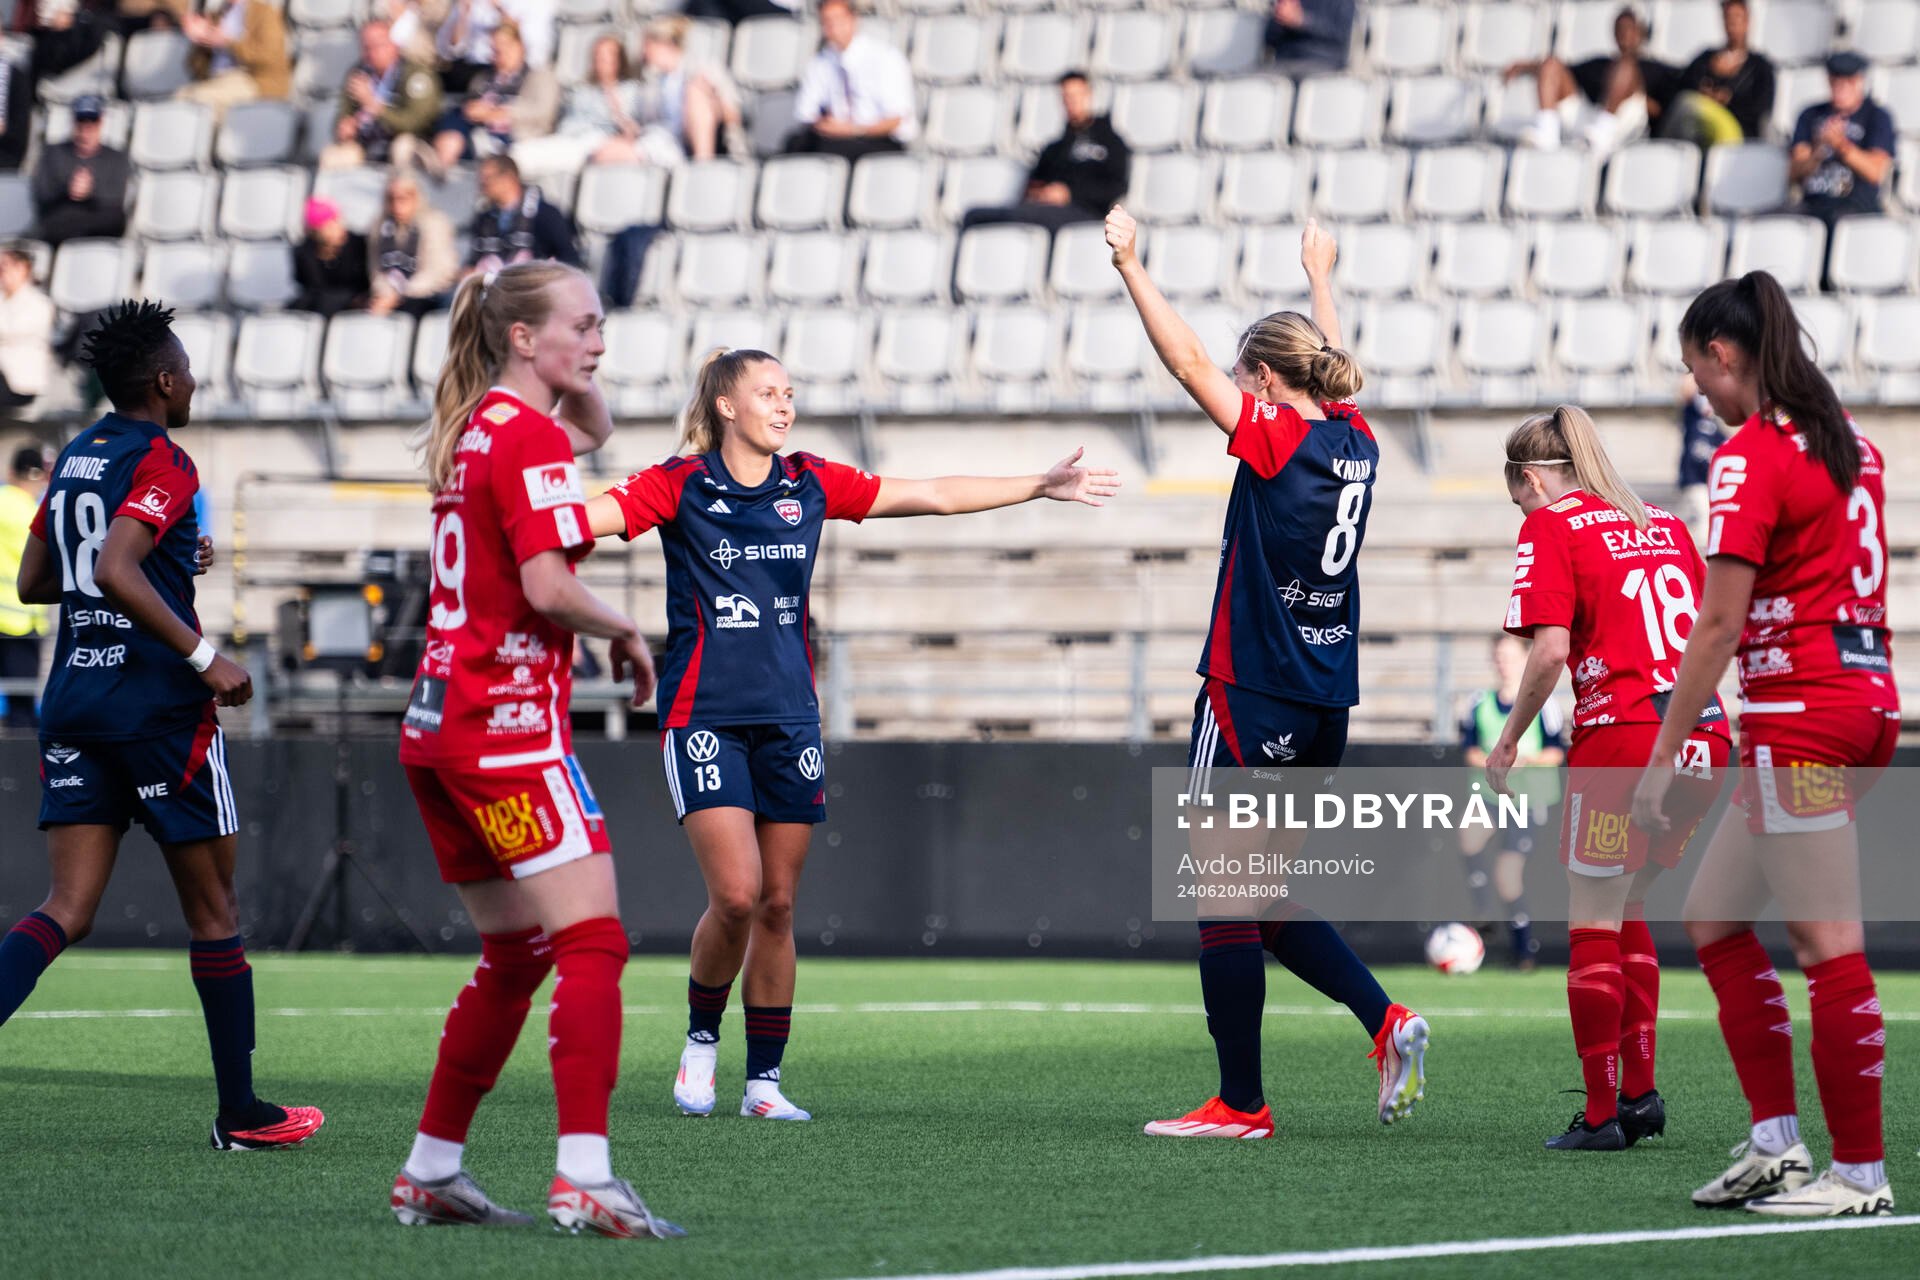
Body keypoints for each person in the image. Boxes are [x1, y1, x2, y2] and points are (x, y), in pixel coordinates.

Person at [582, 355, 1117, 1124]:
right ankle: (702, 1039)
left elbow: (929, 494)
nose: (785, 406)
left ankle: (763, 1083)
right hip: (704, 717)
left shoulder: (809, 482)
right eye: (768, 394)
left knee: (778, 903)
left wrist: (1036, 484)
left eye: (791, 394)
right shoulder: (679, 484)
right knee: (733, 896)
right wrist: (505, 504)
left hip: (791, 720)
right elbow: (587, 518)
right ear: (726, 406)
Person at [1104, 207, 1430, 1142]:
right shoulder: (1356, 442)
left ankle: (1241, 1104)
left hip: (1252, 692)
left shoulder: (1278, 438)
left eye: (1252, 377)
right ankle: (1388, 1021)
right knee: (1264, 898)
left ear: (1265, 381)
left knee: (1219, 899)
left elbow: (1186, 363)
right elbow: (1331, 371)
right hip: (1325, 699)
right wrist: (1322, 275)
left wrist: (1133, 264)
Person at [389, 260, 682, 1238]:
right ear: (523, 338)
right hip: (505, 729)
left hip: (440, 730)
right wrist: (627, 628)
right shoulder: (527, 437)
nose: (600, 342)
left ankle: (431, 1168)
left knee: (515, 953)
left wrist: (549, 343)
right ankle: (584, 1177)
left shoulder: (483, 427)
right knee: (591, 940)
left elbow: (592, 427)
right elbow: (550, 586)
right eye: (584, 325)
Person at [0, 301, 323, 1152]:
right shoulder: (163, 458)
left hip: (72, 701)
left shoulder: (75, 455)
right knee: (215, 912)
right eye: (187, 369)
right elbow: (113, 565)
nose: (194, 383)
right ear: (166, 381)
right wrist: (203, 657)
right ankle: (242, 1114)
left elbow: (43, 579)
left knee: (66, 908)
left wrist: (171, 556)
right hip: (156, 711)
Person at [1630, 272, 1897, 1215]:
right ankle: (1778, 1144)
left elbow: (1717, 625)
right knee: (1716, 917)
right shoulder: (1851, 443)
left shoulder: (1751, 454)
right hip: (1857, 704)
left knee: (1829, 947)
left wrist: (1663, 757)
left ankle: (1859, 1173)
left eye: (1697, 370)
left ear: (1726, 354)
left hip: (1804, 719)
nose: (1698, 389)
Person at [1488, 405, 1732, 1151]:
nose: (1522, 513)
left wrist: (1507, 742)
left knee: (1592, 924)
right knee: (1629, 913)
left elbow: (1551, 652)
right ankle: (1641, 1095)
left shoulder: (1552, 525)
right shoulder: (1664, 522)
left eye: (1519, 498)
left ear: (1532, 479)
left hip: (1622, 738)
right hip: (1703, 739)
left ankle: (1601, 1115)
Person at [1457, 633, 1565, 972]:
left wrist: (1526, 761)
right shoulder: (1479, 702)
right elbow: (1470, 750)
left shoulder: (1543, 704)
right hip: (1490, 793)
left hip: (1526, 797)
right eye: (1497, 656)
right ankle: (1483, 916)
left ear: (1525, 658)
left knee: (1508, 874)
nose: (1502, 662)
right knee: (1468, 837)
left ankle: (1523, 948)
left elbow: (1557, 751)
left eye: (1508, 655)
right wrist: (1492, 761)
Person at [962, 71, 1129, 235]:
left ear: (1089, 95)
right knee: (975, 216)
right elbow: (1032, 186)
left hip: (1087, 213)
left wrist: (1069, 194)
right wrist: (1043, 193)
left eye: (1076, 95)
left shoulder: (1110, 142)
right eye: (1066, 97)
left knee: (1023, 216)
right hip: (1046, 211)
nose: (1071, 102)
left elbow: (1116, 187)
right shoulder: (1054, 149)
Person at [1505, 6, 1679, 154]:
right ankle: (1546, 129)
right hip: (1590, 118)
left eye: (1630, 29)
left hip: (1626, 123)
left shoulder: (1658, 69)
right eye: (1620, 30)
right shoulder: (1601, 63)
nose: (1625, 35)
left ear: (1640, 32)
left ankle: (1604, 129)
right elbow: (1566, 70)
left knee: (1626, 66)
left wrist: (1643, 100)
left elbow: (1668, 106)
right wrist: (1524, 66)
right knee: (1551, 64)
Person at [1790, 51, 1895, 265]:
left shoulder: (1876, 116)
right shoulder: (1810, 114)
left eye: (1848, 80)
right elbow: (1794, 172)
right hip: (1813, 202)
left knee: (1837, 222)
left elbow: (1875, 172)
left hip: (1856, 204)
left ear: (1860, 80)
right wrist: (1819, 149)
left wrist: (1841, 145)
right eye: (1835, 79)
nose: (1840, 86)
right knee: (1778, 222)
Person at [786, 0, 915, 161]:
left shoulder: (885, 58)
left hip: (878, 139)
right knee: (795, 144)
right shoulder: (820, 62)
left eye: (838, 19)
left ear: (854, 19)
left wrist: (852, 130)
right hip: (835, 136)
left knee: (828, 151)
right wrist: (828, 125)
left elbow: (896, 119)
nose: (833, 27)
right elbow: (806, 113)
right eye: (827, 21)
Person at [430, 21, 557, 170]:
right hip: (476, 132)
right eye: (495, 49)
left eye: (504, 47)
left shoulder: (540, 77)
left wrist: (499, 112)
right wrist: (473, 110)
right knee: (451, 131)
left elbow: (542, 112)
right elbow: (470, 104)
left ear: (520, 47)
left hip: (514, 139)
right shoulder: (484, 78)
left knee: (481, 147)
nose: (499, 54)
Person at [319, 19, 443, 171]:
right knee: (333, 156)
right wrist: (345, 127)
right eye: (366, 47)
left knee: (403, 149)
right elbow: (344, 111)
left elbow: (415, 122)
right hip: (367, 142)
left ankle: (398, 192)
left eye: (378, 45)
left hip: (409, 141)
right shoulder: (358, 73)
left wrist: (374, 105)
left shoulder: (415, 75)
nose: (371, 52)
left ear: (395, 45)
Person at [1663, 0, 1774, 147]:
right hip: (1698, 127)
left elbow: (1760, 107)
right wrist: (1704, 93)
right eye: (1728, 17)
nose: (1732, 23)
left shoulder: (1760, 66)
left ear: (1748, 21)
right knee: (1684, 107)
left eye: (1737, 17)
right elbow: (1682, 86)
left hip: (1737, 133)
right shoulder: (1706, 58)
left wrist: (1728, 99)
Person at [31, 95, 131, 246]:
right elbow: (42, 194)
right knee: (56, 220)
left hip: (99, 225)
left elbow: (116, 198)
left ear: (101, 123)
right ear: (73, 123)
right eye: (81, 124)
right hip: (61, 224)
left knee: (113, 217)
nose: (85, 131)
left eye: (92, 124)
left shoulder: (116, 158)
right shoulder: (53, 153)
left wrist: (90, 191)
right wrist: (67, 189)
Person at [0, 444, 49, 729]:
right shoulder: (32, 514)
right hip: (20, 621)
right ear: (38, 477)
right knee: (23, 707)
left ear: (10, 471)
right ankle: (22, 773)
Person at [177, 0, 291, 123]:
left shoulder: (265, 13)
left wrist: (228, 43)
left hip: (254, 80)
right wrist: (200, 41)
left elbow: (269, 56)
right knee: (180, 97)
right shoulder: (217, 15)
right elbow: (195, 67)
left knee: (199, 99)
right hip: (219, 79)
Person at [466, 154, 580, 274]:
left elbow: (569, 259)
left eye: (487, 179)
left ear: (508, 178)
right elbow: (474, 260)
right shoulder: (484, 219)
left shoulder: (545, 214)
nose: (482, 186)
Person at [369, 174, 458, 318]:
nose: (397, 205)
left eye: (403, 198)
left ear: (417, 197)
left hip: (426, 294)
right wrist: (386, 293)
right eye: (392, 199)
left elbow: (438, 272)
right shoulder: (379, 226)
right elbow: (376, 270)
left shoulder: (434, 223)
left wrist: (400, 295)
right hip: (390, 294)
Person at [292, 197, 369, 318]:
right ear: (316, 232)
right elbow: (312, 287)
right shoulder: (305, 253)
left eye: (337, 221)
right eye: (330, 225)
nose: (338, 227)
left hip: (353, 301)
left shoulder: (357, 244)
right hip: (323, 304)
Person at [0, 248, 56, 410]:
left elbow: (12, 330)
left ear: (23, 268)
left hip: (18, 384)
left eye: (5, 266)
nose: (2, 272)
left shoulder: (40, 304)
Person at [1676, 374, 1727, 536]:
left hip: (1707, 482)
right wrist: (1696, 374)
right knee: (1703, 524)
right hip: (1694, 480)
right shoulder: (1693, 417)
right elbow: (1686, 392)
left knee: (1703, 524)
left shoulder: (1716, 427)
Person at [1263, 0, 1355, 73]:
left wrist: (1303, 21)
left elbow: (1341, 34)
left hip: (1323, 62)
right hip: (1284, 63)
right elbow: (1269, 39)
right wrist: (1281, 21)